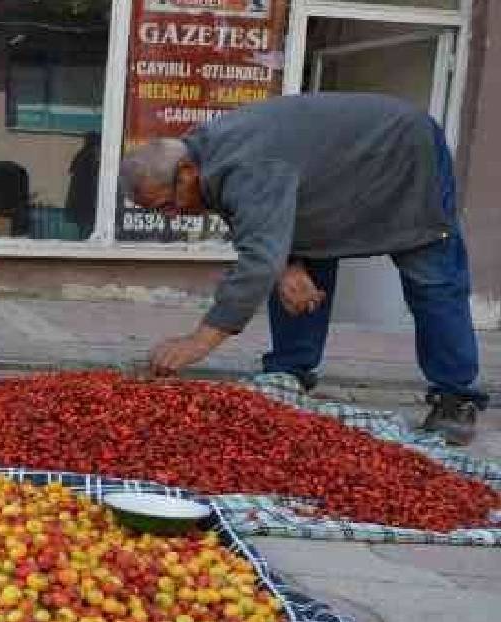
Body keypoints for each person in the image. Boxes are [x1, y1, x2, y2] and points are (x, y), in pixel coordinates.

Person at [119, 92, 488, 445]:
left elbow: (258, 259)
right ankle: (290, 372)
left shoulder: (246, 166)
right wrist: (288, 264)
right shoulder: (202, 156)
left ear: (185, 172)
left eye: (167, 205)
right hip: (330, 182)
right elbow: (251, 219)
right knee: (295, 271)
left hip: (403, 154)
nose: (171, 216)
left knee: (432, 278)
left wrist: (198, 342)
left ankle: (456, 397)